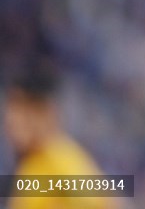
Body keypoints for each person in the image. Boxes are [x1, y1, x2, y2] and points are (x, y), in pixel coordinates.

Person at [2, 72, 118, 209]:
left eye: (21, 112)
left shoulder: (60, 160)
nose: (12, 121)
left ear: (45, 112)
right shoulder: (33, 164)